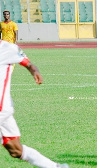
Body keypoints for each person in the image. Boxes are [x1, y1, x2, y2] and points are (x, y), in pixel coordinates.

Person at [0, 40, 69, 168]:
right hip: (5, 109)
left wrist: (34, 71)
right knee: (15, 149)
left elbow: (28, 63)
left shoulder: (8, 48)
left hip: (1, 108)